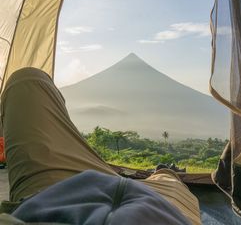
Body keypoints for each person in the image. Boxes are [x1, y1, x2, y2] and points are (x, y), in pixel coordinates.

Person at [0, 68, 201, 224]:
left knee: (26, 79)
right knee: (169, 181)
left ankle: (159, 173)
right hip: (148, 202)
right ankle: (163, 172)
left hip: (52, 194)